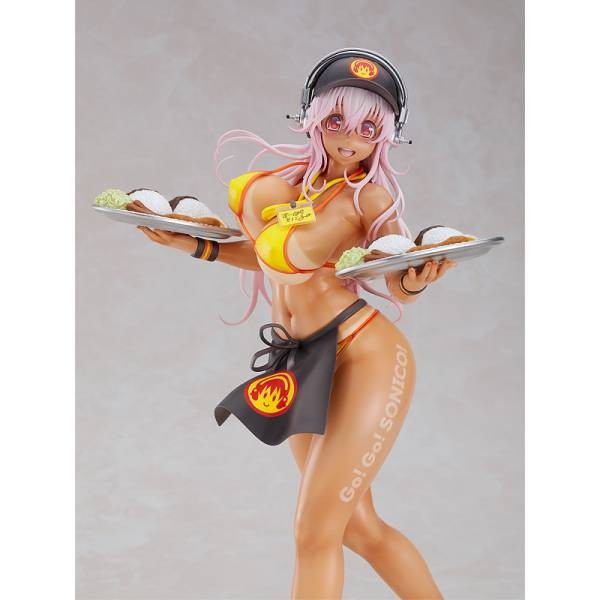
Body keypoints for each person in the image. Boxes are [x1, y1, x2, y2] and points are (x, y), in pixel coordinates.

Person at [138, 48, 453, 599]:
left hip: (365, 354)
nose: (349, 138)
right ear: (313, 117)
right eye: (337, 120)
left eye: (368, 128)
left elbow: (396, 273)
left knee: (315, 532)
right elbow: (267, 258)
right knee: (357, 528)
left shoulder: (369, 199)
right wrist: (191, 243)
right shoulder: (285, 190)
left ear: (385, 136)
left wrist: (419, 278)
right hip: (301, 360)